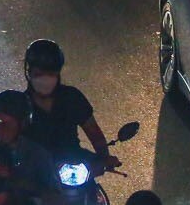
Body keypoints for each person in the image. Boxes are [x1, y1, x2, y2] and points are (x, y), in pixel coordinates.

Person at [21, 38, 120, 168]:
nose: (45, 80)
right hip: (36, 172)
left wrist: (104, 158)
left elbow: (94, 132)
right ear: (29, 73)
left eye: (50, 74)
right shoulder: (19, 104)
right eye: (39, 74)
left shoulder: (72, 97)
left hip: (74, 164)